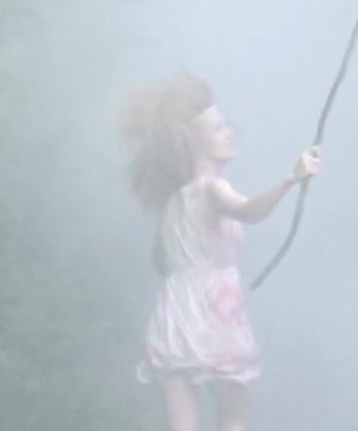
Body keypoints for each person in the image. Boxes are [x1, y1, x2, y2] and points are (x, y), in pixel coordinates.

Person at [119, 71, 321, 431]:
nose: (230, 131)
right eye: (219, 128)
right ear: (196, 143)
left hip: (175, 314)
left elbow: (163, 259)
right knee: (233, 419)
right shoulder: (213, 189)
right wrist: (291, 178)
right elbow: (249, 211)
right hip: (215, 313)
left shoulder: (173, 201)